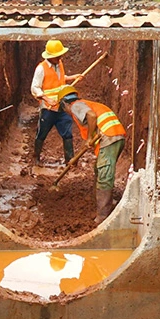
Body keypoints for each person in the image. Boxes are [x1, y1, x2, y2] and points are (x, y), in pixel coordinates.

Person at [60, 88, 126, 221]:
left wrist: (90, 137)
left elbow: (91, 116)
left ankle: (102, 216)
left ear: (64, 104)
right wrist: (76, 158)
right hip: (116, 136)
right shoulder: (89, 104)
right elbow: (87, 139)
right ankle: (104, 200)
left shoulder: (75, 106)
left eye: (63, 109)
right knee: (99, 168)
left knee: (104, 174)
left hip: (109, 137)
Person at [29, 39, 78, 165]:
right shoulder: (41, 69)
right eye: (57, 56)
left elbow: (61, 79)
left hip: (62, 106)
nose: (60, 57)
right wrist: (45, 98)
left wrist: (73, 77)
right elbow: (35, 87)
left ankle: (69, 160)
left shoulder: (59, 63)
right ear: (50, 56)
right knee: (42, 134)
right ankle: (36, 157)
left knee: (67, 134)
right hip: (48, 109)